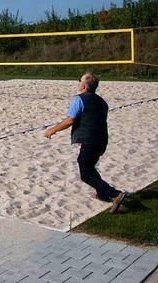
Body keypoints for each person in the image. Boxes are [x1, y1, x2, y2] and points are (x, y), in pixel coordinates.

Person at [44, 72, 126, 213]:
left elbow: (70, 120)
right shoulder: (102, 102)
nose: (78, 82)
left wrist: (53, 129)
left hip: (90, 140)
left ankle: (114, 194)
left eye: (80, 80)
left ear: (83, 85)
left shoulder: (79, 99)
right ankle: (102, 194)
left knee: (85, 173)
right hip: (102, 140)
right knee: (90, 167)